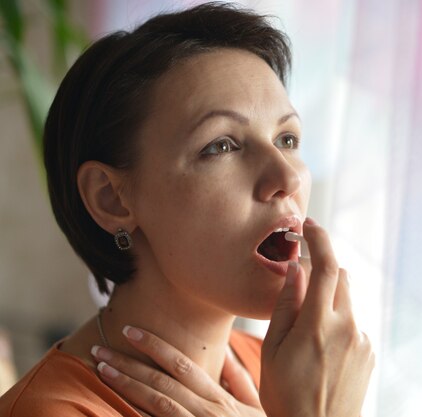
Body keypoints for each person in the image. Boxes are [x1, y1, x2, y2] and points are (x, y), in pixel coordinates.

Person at [0, 2, 374, 416]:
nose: (286, 178)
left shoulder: (294, 372)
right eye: (221, 145)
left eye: (286, 138)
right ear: (111, 197)